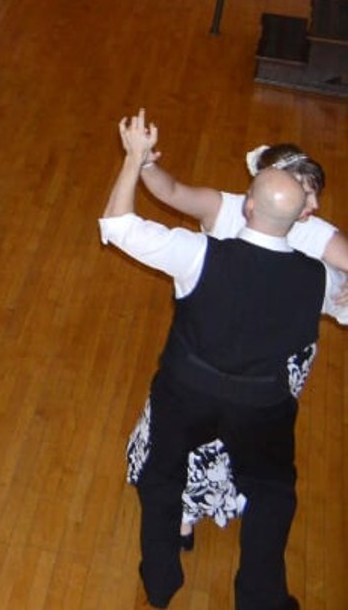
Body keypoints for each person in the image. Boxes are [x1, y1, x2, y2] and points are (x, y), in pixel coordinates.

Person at [100, 110, 334, 610]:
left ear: (246, 206)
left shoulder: (197, 253)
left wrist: (132, 160)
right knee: (272, 492)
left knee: (163, 479)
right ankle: (260, 598)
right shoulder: (316, 278)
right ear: (299, 220)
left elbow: (119, 226)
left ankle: (160, 582)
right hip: (262, 404)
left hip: (186, 391)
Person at [127, 142, 348, 548]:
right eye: (305, 189)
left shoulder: (316, 232)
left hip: (269, 361)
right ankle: (185, 515)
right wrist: (142, 164)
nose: (312, 202)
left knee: (231, 440)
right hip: (219, 350)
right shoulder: (225, 207)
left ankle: (203, 504)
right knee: (195, 437)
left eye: (316, 191)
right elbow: (172, 191)